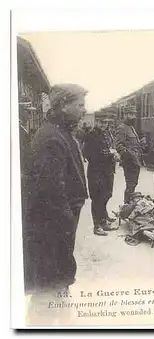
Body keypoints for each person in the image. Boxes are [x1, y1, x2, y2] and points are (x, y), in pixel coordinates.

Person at [23, 84, 89, 301]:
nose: (84, 110)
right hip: (57, 220)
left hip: (60, 218)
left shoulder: (58, 132)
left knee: (56, 265)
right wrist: (67, 219)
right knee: (53, 269)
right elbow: (51, 189)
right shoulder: (53, 137)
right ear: (63, 106)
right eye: (79, 105)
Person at [83, 116, 120, 236]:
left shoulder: (105, 134)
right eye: (101, 122)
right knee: (97, 198)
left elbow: (110, 148)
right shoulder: (91, 135)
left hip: (107, 170)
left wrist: (114, 154)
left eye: (105, 122)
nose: (104, 124)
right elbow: (88, 154)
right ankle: (97, 225)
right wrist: (109, 154)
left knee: (107, 195)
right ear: (96, 122)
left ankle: (103, 221)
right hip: (96, 172)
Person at [116, 106, 145, 203]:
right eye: (130, 114)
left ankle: (128, 205)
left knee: (133, 184)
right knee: (130, 185)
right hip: (129, 162)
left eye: (133, 114)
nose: (132, 117)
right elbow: (119, 146)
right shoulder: (122, 128)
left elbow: (132, 144)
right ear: (125, 115)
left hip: (135, 161)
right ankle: (126, 206)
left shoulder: (131, 127)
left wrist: (140, 143)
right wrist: (129, 155)